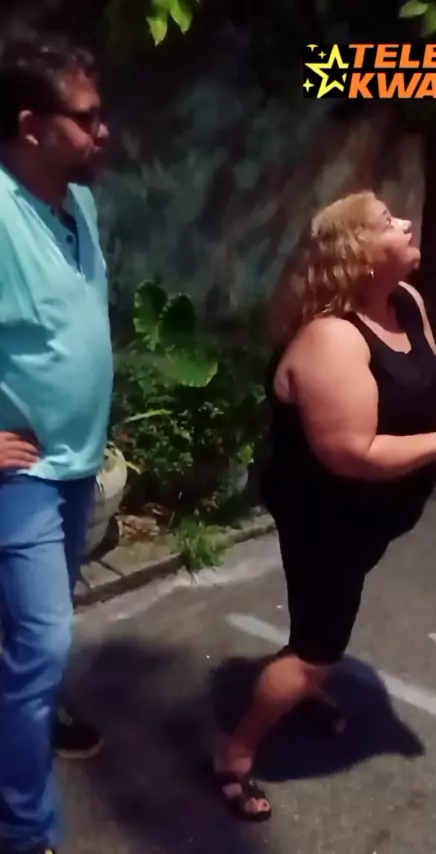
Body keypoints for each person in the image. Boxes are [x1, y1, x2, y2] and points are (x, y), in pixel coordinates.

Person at [213, 191, 436, 821]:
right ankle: (235, 755)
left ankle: (302, 680)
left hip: (375, 514)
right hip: (326, 519)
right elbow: (353, 455)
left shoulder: (406, 302)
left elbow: (425, 390)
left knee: (321, 613)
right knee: (319, 649)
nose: (408, 223)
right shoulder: (332, 340)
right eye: (388, 222)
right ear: (358, 255)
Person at [0, 33, 112, 853]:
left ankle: (32, 709)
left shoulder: (80, 203)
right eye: (88, 118)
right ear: (31, 125)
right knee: (44, 641)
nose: (104, 133)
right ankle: (22, 828)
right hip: (23, 474)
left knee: (36, 636)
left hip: (75, 460)